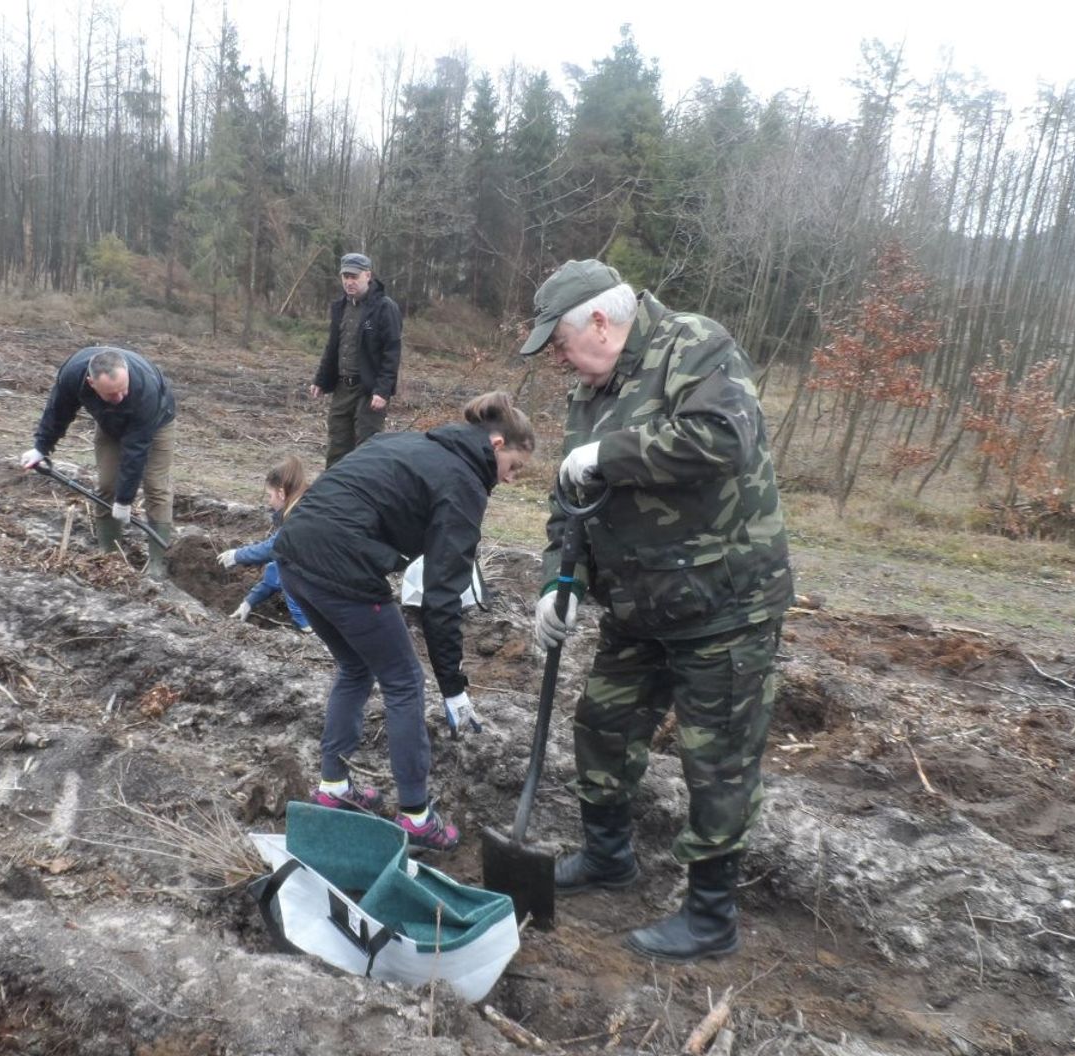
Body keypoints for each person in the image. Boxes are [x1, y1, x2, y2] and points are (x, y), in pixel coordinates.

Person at [520, 259, 794, 964]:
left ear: (600, 322)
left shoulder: (694, 345)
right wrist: (560, 582)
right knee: (602, 727)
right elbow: (569, 505)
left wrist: (607, 455)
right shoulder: (590, 393)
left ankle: (710, 916)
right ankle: (608, 856)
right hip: (638, 608)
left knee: (717, 760)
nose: (559, 360)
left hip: (723, 606)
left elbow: (722, 438)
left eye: (561, 344)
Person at [274, 391, 536, 852]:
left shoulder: (404, 441)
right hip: (341, 567)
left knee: (355, 667)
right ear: (496, 444)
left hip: (293, 555)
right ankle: (416, 816)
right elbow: (441, 597)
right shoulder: (463, 483)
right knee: (405, 681)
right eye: (514, 467)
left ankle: (333, 789)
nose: (511, 479)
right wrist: (453, 686)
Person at [20, 347, 177, 579]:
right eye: (111, 394)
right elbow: (58, 410)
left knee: (156, 486)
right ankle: (110, 555)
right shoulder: (73, 374)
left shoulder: (145, 389)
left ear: (127, 374)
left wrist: (125, 501)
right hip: (109, 423)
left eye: (123, 390)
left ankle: (158, 564)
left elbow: (136, 450)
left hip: (156, 422)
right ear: (91, 383)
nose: (119, 398)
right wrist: (41, 448)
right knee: (106, 485)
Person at [309, 252, 403, 469]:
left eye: (354, 277)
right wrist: (321, 380)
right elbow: (333, 346)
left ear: (367, 276)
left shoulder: (384, 307)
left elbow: (392, 352)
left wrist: (383, 390)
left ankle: (364, 489)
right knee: (337, 446)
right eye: (346, 277)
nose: (349, 282)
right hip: (342, 387)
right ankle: (334, 488)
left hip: (368, 390)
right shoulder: (340, 306)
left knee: (366, 450)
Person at [218, 456, 314, 633]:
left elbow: (275, 547)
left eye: (270, 495)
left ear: (281, 493)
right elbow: (279, 565)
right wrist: (249, 602)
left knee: (292, 574)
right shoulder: (305, 504)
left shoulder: (304, 515)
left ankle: (308, 628)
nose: (269, 502)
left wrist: (237, 555)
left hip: (339, 587)